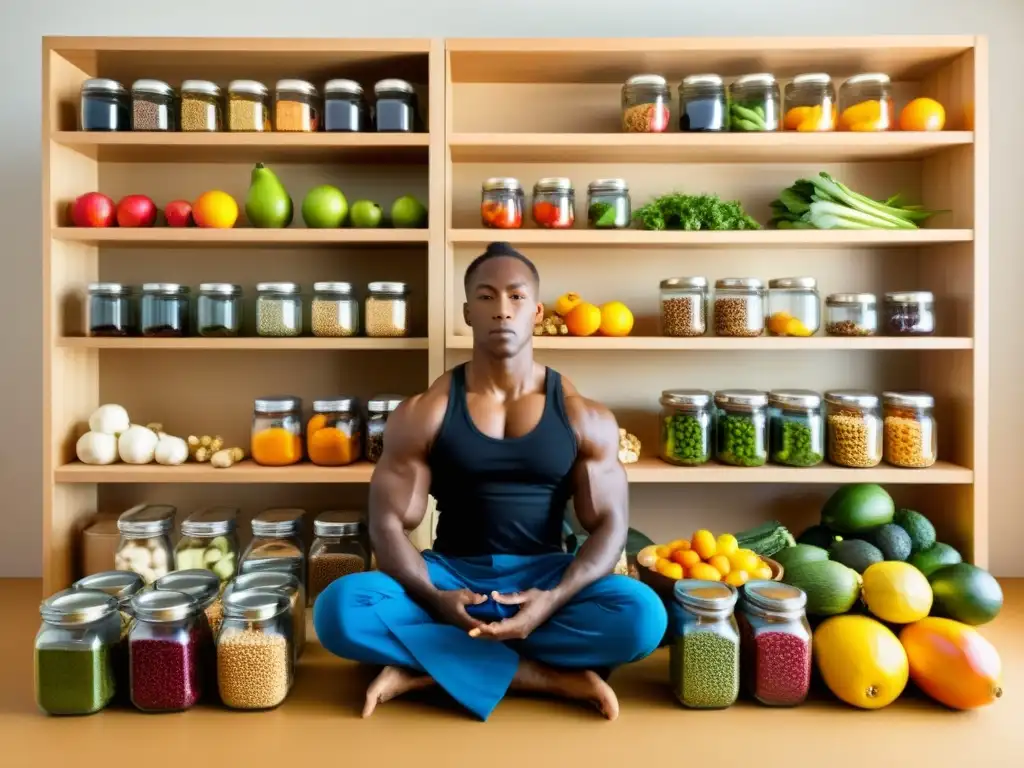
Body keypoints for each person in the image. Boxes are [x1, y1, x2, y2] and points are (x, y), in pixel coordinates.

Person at [313, 242, 667, 722]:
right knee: (339, 609)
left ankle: (437, 667)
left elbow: (610, 524)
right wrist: (437, 599)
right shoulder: (425, 411)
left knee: (644, 616)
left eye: (516, 297)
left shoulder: (585, 415)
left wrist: (553, 600)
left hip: (544, 579)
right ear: (467, 312)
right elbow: (387, 525)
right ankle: (543, 676)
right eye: (486, 297)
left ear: (537, 312)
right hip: (452, 577)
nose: (502, 310)